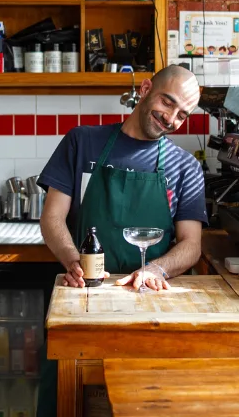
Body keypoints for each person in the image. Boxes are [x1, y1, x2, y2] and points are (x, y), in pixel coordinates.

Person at [35, 65, 207, 416]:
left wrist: (157, 269)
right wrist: (73, 260)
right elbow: (52, 217)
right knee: (71, 400)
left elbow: (192, 244)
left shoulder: (185, 167)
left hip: (150, 309)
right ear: (145, 89)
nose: (171, 118)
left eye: (182, 114)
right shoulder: (82, 142)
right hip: (83, 301)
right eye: (167, 102)